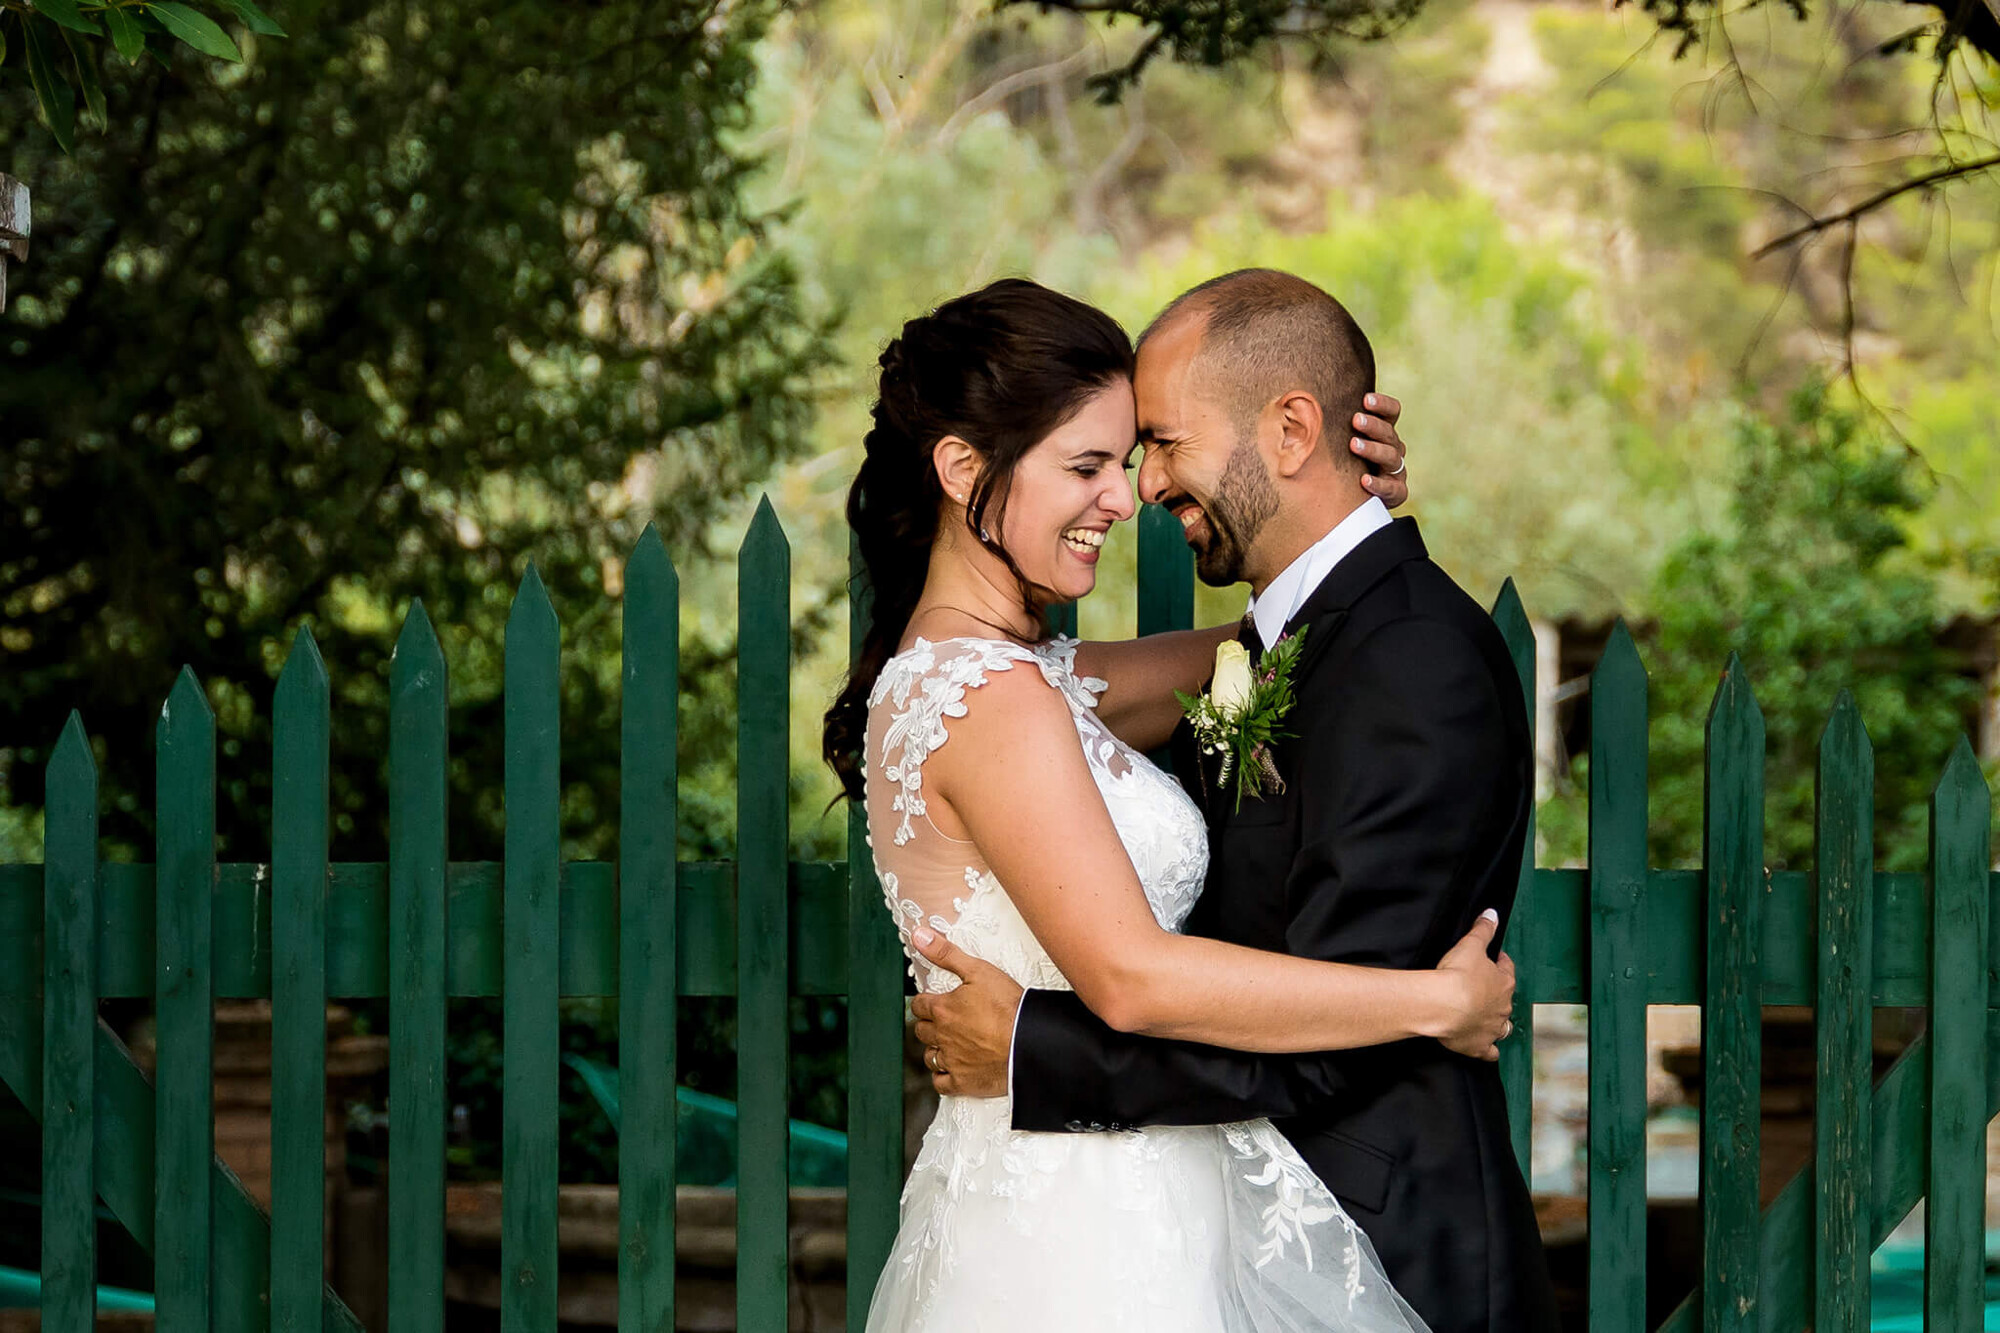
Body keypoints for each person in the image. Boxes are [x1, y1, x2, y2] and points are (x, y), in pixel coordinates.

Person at [822, 276, 1517, 1332]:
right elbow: (1133, 978)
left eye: (1143, 450)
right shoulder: (987, 699)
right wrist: (1436, 1002)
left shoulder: (1031, 679)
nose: (1129, 492)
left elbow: (1286, 642)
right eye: (1088, 463)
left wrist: (1332, 497)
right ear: (963, 468)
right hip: (1071, 1229)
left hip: (1133, 1192)